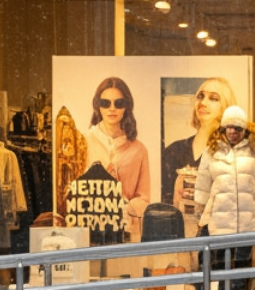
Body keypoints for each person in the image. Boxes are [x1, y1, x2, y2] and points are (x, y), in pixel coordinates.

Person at [194, 105, 255, 290]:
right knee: (218, 271)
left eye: (237, 128)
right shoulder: (211, 151)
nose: (232, 132)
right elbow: (202, 185)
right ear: (223, 128)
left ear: (245, 130)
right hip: (218, 222)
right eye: (229, 127)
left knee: (243, 271)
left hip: (248, 222)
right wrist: (198, 214)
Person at [162, 77, 236, 229]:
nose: (203, 102)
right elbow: (163, 200)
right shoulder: (174, 151)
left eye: (213, 98)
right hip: (179, 236)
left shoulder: (232, 152)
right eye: (200, 96)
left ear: (226, 108)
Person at [83, 77, 150, 241]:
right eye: (105, 103)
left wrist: (124, 208)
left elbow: (144, 198)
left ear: (126, 106)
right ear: (97, 106)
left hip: (124, 231)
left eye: (118, 103)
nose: (112, 108)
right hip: (88, 228)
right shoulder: (83, 142)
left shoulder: (139, 149)